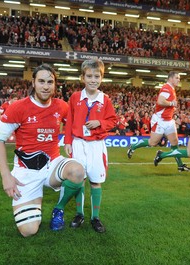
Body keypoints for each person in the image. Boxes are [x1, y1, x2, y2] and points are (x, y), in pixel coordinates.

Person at [0, 64, 85, 237]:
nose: (46, 86)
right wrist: (6, 175)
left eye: (50, 82)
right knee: (29, 231)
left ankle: (58, 209)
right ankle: (35, 201)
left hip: (53, 164)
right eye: (41, 81)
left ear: (55, 85)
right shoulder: (18, 107)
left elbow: (76, 126)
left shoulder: (62, 106)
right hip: (26, 171)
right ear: (33, 83)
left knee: (77, 171)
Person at [64, 59, 117, 233]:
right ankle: (79, 214)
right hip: (79, 144)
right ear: (82, 77)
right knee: (79, 181)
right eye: (89, 76)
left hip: (96, 146)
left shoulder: (105, 100)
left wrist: (99, 122)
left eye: (97, 76)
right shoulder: (75, 97)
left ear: (102, 78)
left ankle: (95, 217)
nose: (93, 80)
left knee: (96, 182)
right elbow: (69, 121)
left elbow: (112, 121)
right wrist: (68, 142)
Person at [127, 71, 190, 172]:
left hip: (169, 120)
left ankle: (180, 165)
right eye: (177, 78)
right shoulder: (166, 88)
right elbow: (160, 101)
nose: (179, 80)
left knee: (175, 143)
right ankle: (134, 146)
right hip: (160, 120)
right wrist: (171, 103)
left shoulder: (172, 89)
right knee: (153, 142)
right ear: (170, 78)